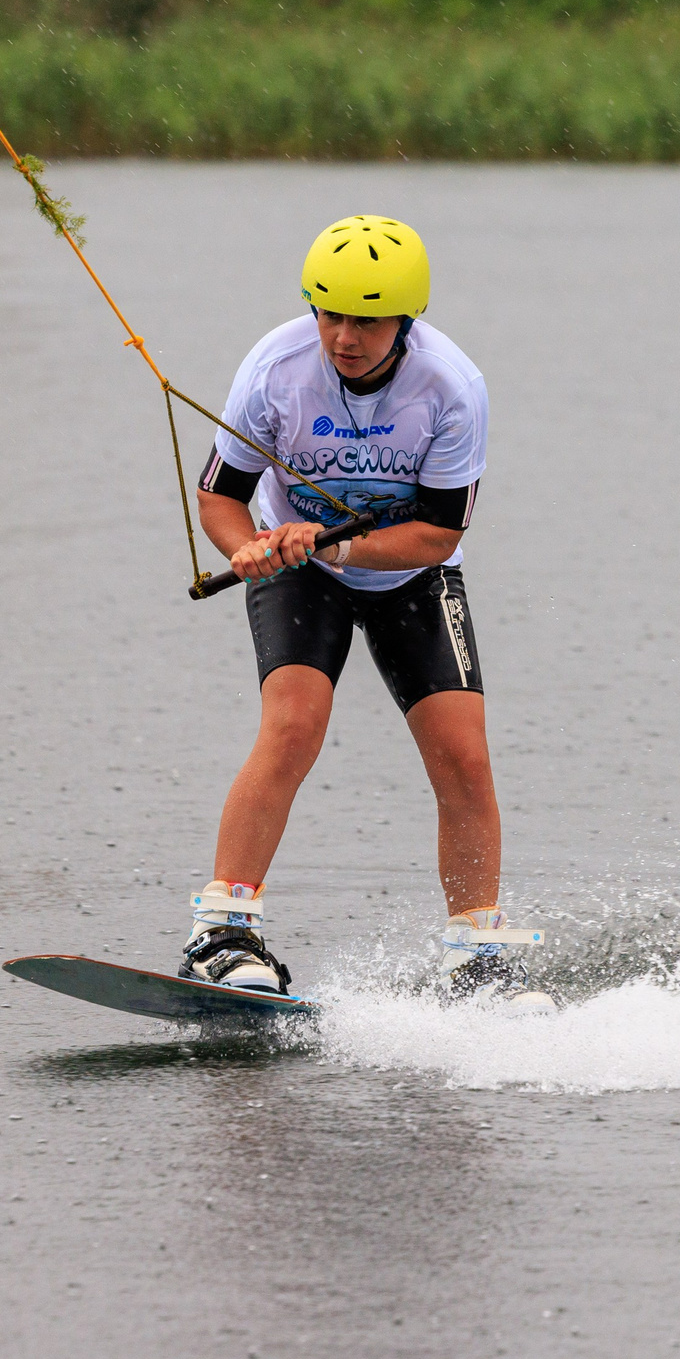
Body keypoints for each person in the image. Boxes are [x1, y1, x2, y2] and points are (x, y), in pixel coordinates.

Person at [182, 215, 551, 1009]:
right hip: (296, 567)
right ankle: (224, 932)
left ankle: (478, 955)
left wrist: (341, 547)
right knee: (293, 726)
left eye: (366, 318)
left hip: (410, 571)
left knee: (464, 755)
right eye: (329, 313)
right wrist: (247, 546)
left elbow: (441, 531)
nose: (344, 336)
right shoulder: (275, 368)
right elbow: (219, 494)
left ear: (405, 320)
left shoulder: (453, 387)